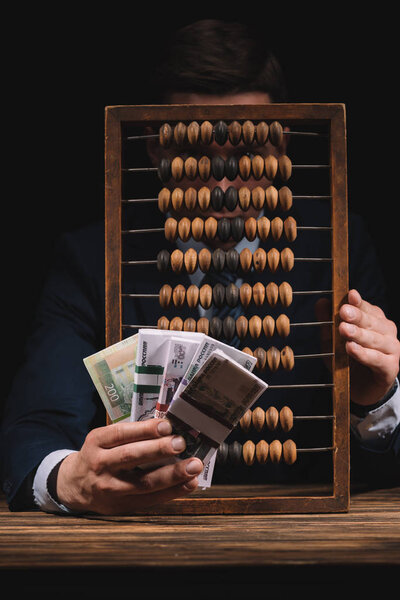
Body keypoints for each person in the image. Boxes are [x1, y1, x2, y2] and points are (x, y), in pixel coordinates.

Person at [1, 20, 399, 516]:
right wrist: (67, 480)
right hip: (137, 542)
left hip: (298, 535)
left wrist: (376, 402)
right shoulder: (92, 260)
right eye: (194, 153)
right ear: (154, 147)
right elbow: (36, 425)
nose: (221, 186)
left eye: (247, 152)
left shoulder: (338, 248)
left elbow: (387, 459)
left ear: (280, 147)